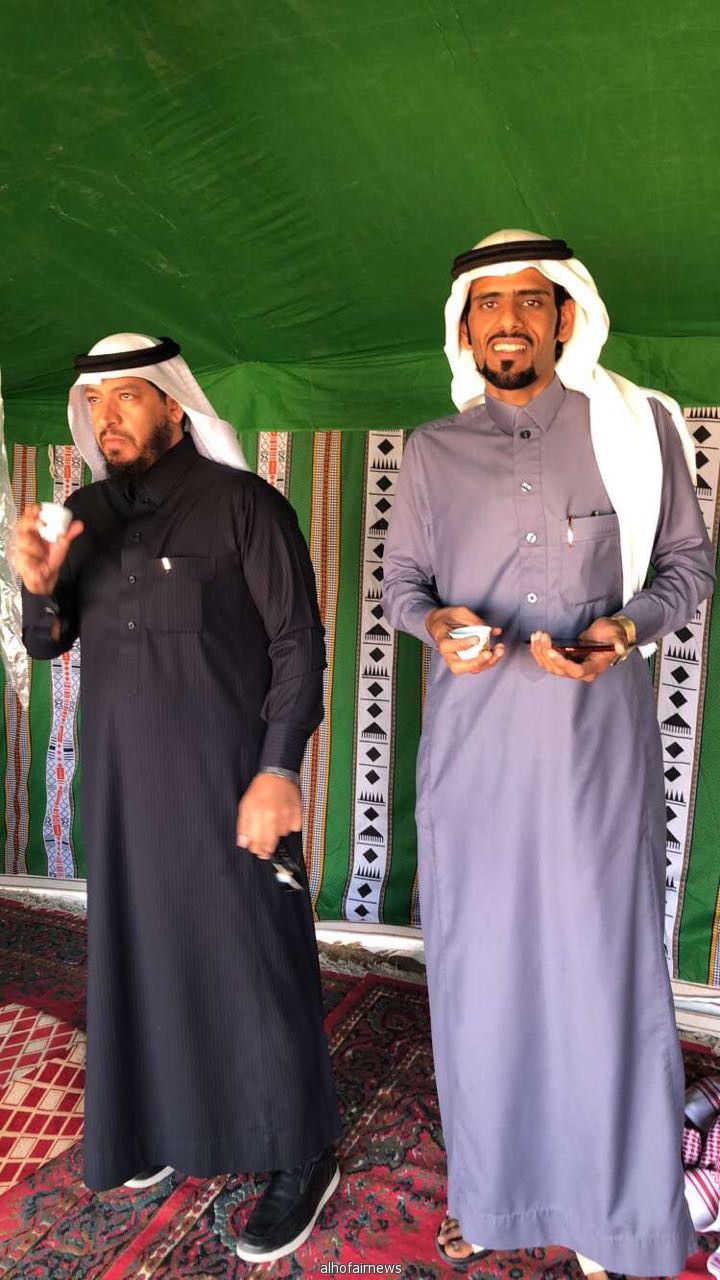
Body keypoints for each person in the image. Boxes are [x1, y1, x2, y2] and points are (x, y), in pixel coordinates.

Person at [383, 231, 715, 1276]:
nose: (509, 321)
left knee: (600, 971)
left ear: (566, 314)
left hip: (592, 759)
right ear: (464, 326)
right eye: (488, 304)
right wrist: (438, 625)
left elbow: (687, 564)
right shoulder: (432, 449)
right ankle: (499, 1196)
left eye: (530, 301)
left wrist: (623, 630)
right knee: (483, 976)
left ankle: (615, 1214)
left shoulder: (634, 428)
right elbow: (401, 588)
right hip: (473, 761)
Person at [14, 333, 340, 1265]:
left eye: (126, 396)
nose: (106, 417)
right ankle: (161, 1124)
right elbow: (47, 642)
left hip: (234, 784)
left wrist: (278, 770)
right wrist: (37, 588)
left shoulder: (244, 505)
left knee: (256, 963)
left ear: (171, 402)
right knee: (146, 954)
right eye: (94, 401)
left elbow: (298, 645)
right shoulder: (82, 514)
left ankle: (301, 1151)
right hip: (124, 789)